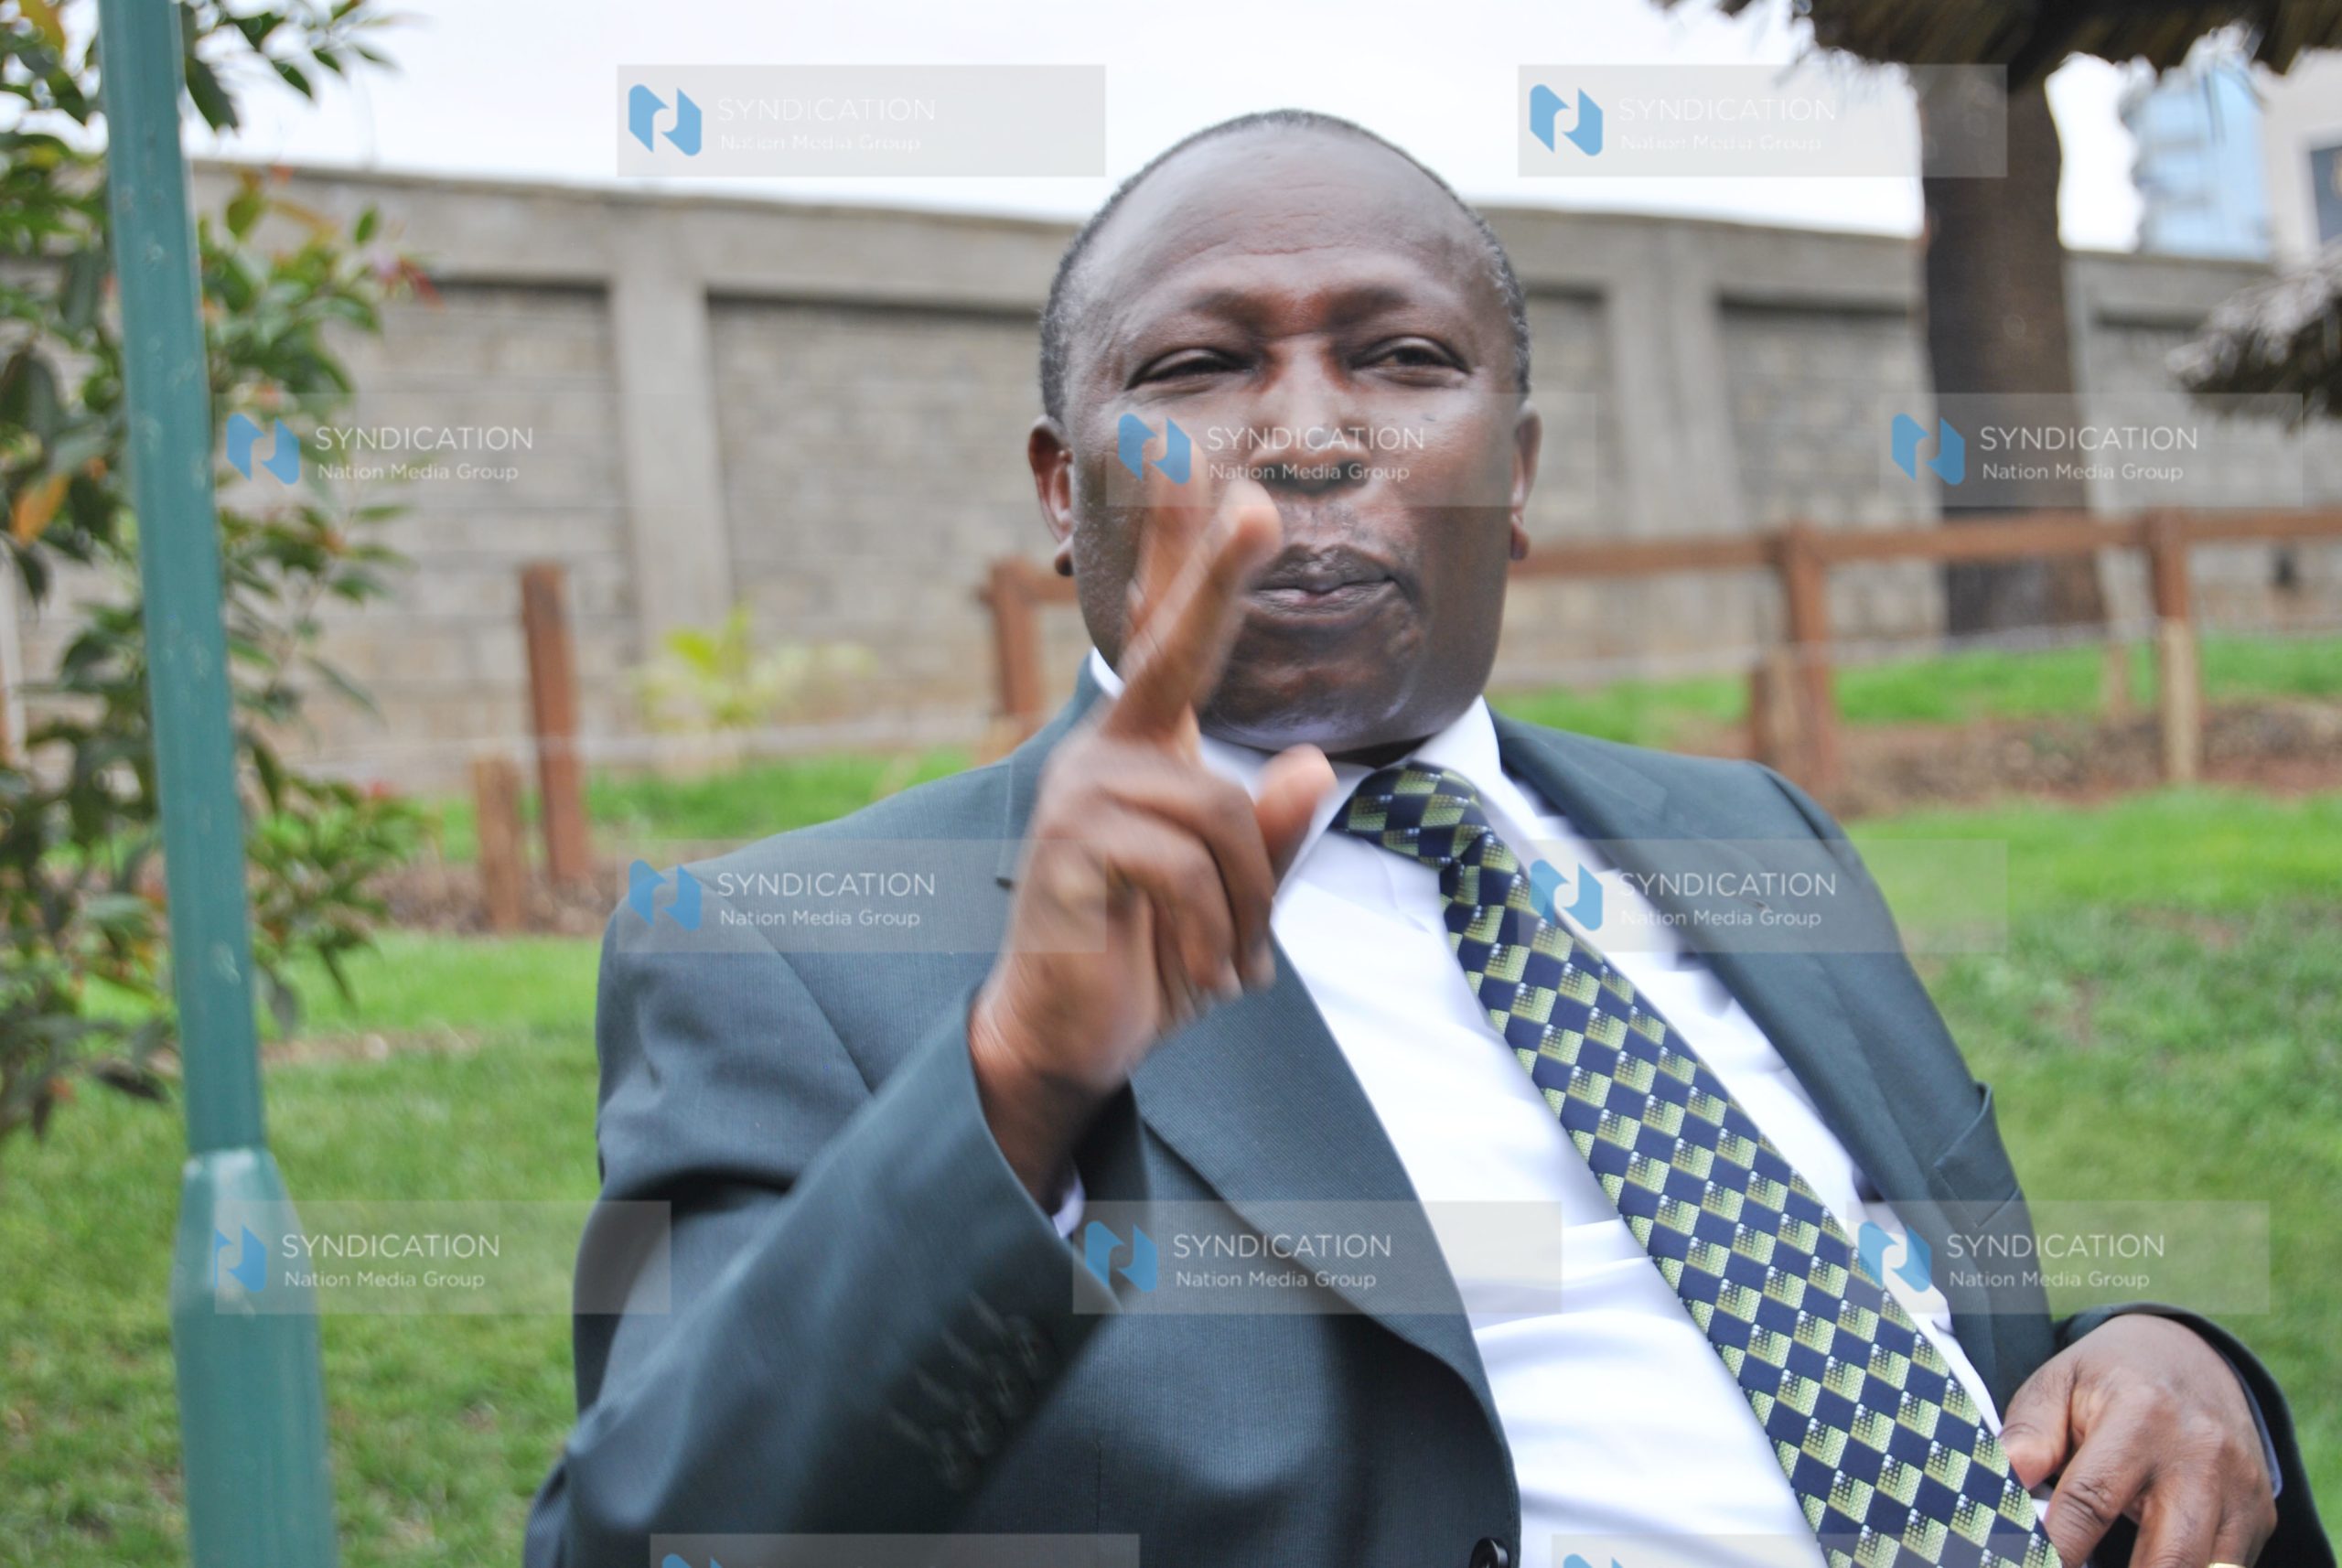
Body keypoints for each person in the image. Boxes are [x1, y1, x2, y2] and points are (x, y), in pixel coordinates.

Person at [524, 111, 2325, 1568]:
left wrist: (2172, 1366)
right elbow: (655, 1530)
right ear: (1063, 487)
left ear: (1513, 468)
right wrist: (1009, 1081)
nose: (1307, 437)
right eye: (1202, 363)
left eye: (1397, 359)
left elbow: (1920, 1335)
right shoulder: (785, 941)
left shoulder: (1748, 835)